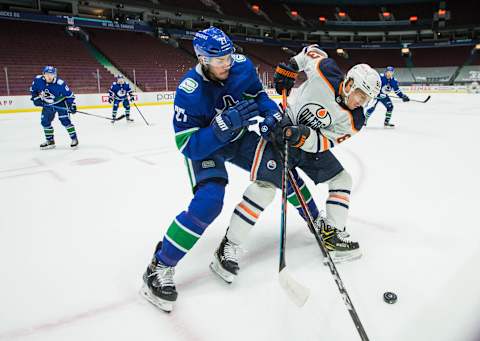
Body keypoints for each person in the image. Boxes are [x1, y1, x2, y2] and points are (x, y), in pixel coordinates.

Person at [140, 27, 285, 312]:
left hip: (240, 139)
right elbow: (188, 147)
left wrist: (271, 114)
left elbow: (258, 97)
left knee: (278, 169)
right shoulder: (189, 90)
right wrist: (220, 127)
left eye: (229, 57)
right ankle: (159, 266)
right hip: (207, 148)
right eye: (219, 61)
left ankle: (316, 223)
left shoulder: (241, 67)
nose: (227, 64)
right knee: (208, 203)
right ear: (203, 59)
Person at [210, 45, 382, 283]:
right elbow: (310, 51)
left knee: (342, 179)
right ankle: (229, 246)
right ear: (350, 83)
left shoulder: (356, 119)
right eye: (361, 94)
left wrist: (303, 136)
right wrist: (292, 66)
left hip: (307, 145)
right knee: (263, 189)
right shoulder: (326, 69)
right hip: (280, 129)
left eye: (367, 99)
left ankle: (332, 233)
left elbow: (325, 141)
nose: (361, 102)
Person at [30, 66, 78, 149]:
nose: (49, 76)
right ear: (43, 74)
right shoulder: (38, 80)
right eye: (47, 74)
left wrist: (71, 105)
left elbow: (70, 95)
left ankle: (74, 139)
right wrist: (36, 98)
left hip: (60, 104)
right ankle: (50, 141)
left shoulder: (60, 83)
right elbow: (33, 90)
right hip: (47, 104)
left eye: (51, 74)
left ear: (55, 75)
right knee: (45, 122)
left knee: (65, 121)